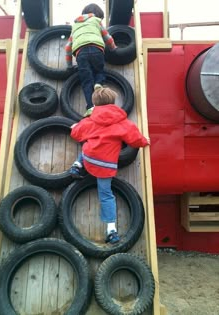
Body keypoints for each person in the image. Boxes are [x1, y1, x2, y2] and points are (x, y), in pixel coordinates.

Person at [69, 87, 150, 244]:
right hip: (105, 165)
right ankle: (111, 230)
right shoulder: (123, 123)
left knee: (87, 142)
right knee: (106, 195)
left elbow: (76, 133)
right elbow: (134, 140)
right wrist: (145, 141)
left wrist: (74, 127)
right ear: (114, 102)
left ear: (94, 103)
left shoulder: (90, 120)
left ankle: (77, 165)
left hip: (89, 158)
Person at [65, 3, 117, 117]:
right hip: (96, 49)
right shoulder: (96, 21)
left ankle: (90, 107)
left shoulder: (75, 26)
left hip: (80, 53)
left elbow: (68, 47)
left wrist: (69, 65)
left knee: (86, 81)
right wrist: (113, 48)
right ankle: (98, 83)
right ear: (98, 15)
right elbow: (107, 37)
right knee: (99, 70)